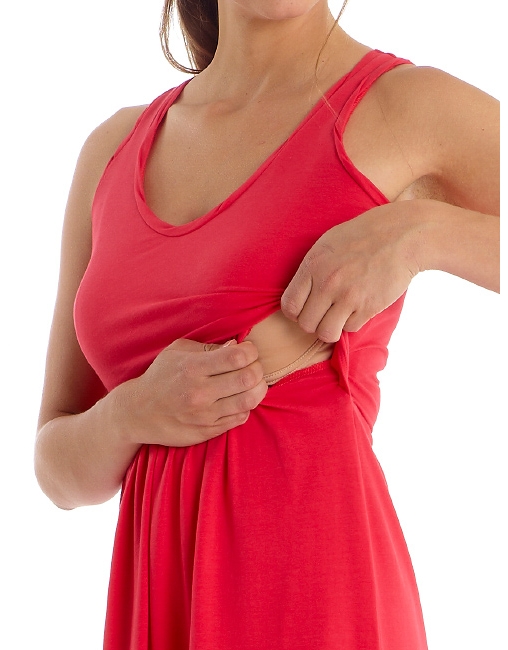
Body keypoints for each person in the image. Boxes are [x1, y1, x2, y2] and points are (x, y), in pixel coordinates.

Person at [34, 0, 500, 647]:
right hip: (165, 604)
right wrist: (130, 414)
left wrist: (423, 233)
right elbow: (55, 469)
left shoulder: (406, 106)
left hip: (318, 594)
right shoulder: (112, 150)